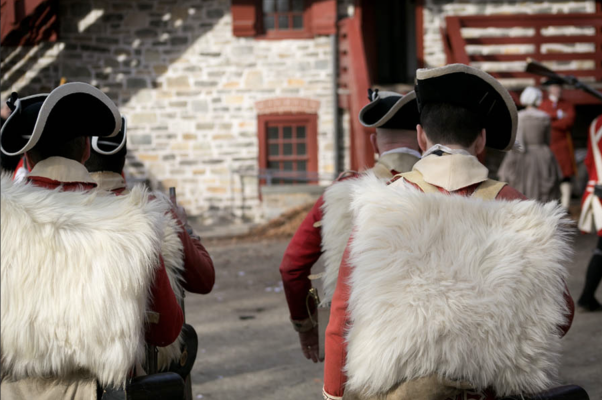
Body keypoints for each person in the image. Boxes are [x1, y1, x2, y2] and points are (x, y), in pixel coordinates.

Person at [323, 64, 575, 400]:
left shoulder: (381, 204)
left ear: (421, 136)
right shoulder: (517, 207)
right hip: (488, 390)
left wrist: (333, 394)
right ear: (482, 139)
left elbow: (342, 314)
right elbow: (560, 313)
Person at [0, 83, 183, 399]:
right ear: (86, 149)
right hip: (97, 391)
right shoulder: (133, 221)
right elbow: (165, 329)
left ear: (27, 156)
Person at [279, 90, 421, 363]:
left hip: (358, 342)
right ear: (422, 137)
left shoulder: (342, 192)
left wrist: (306, 326)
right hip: (432, 341)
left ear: (374, 142)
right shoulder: (447, 190)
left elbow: (292, 267)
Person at [85, 116, 216, 368]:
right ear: (122, 161)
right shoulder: (158, 211)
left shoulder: (64, 213)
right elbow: (204, 278)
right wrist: (184, 226)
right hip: (150, 365)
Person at [498, 86, 561, 201]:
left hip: (522, 155)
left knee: (522, 186)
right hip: (542, 155)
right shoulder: (545, 117)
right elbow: (547, 140)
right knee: (544, 191)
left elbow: (517, 140)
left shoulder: (520, 117)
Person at [577, 114, 602, 312]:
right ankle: (587, 296)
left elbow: (589, 160)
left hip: (597, 188)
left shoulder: (595, 122)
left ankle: (587, 295)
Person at [539, 78, 576, 209]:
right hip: (548, 145)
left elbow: (568, 121)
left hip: (563, 145)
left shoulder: (567, 105)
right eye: (555, 86)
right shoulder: (544, 104)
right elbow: (541, 118)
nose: (558, 90)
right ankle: (550, 206)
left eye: (559, 87)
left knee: (566, 175)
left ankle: (565, 207)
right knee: (549, 175)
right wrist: (557, 114)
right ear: (549, 89)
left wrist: (552, 122)